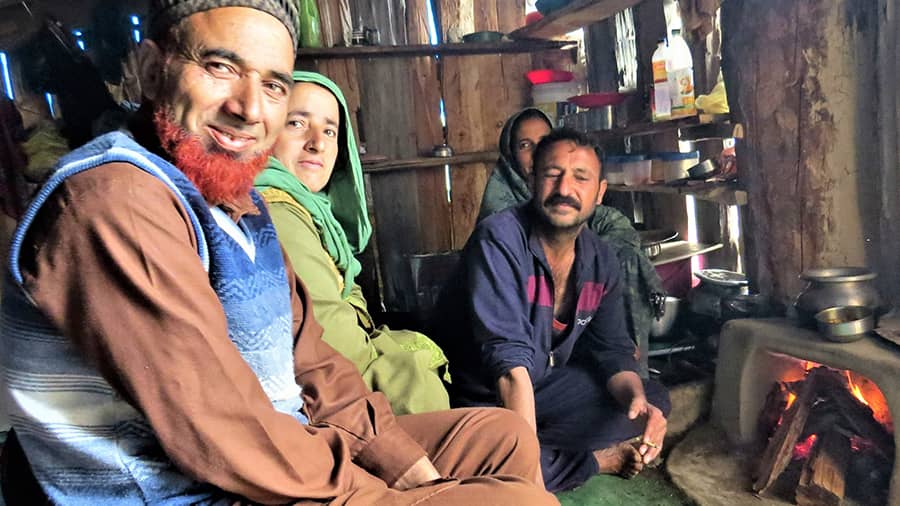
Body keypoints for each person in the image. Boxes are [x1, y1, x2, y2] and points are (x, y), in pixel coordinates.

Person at [0, 2, 557, 504]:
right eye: (220, 67)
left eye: (272, 86)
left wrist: (399, 460)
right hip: (184, 489)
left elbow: (309, 359)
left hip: (280, 448)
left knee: (501, 438)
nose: (248, 108)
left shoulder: (238, 199)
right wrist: (374, 490)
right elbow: (221, 431)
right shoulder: (114, 199)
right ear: (151, 70)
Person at [432, 128, 671, 492]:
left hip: (538, 388)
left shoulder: (599, 259)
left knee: (652, 400)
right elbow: (508, 368)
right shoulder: (499, 239)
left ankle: (530, 451)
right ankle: (590, 461)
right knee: (489, 460)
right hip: (475, 396)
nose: (564, 189)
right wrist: (525, 478)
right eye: (552, 174)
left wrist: (635, 400)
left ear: (599, 192)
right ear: (532, 181)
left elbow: (612, 352)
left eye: (580, 178)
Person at [255, 71, 450, 416]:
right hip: (327, 402)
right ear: (266, 132)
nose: (318, 143)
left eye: (330, 130)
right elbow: (341, 351)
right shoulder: (279, 215)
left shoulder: (311, 213)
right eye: (297, 123)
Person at [478, 108, 666, 375]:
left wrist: (593, 256)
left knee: (641, 392)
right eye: (524, 145)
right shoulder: (500, 225)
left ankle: (624, 364)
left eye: (544, 141)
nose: (536, 151)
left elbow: (610, 222)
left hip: (567, 333)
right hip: (517, 353)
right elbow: (505, 345)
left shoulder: (569, 195)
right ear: (510, 153)